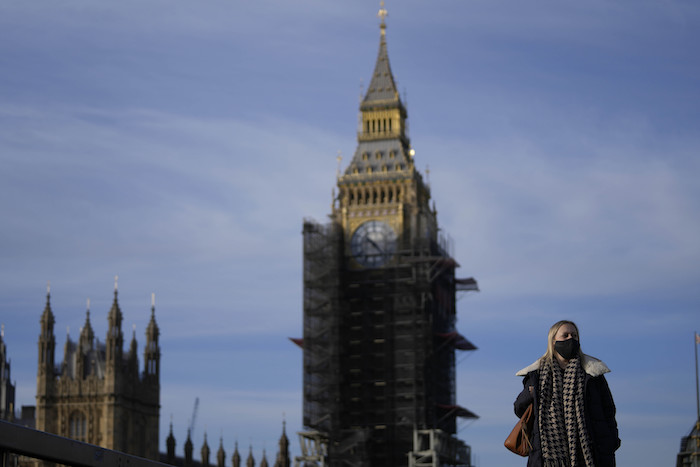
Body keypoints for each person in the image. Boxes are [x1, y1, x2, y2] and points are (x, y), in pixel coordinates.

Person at [513, 320, 620, 466]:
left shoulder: (592, 372)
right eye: (565, 335)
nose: (571, 339)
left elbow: (608, 410)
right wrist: (530, 393)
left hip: (589, 452)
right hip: (548, 457)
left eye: (574, 336)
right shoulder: (537, 375)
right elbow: (519, 410)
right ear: (553, 341)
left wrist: (611, 441)